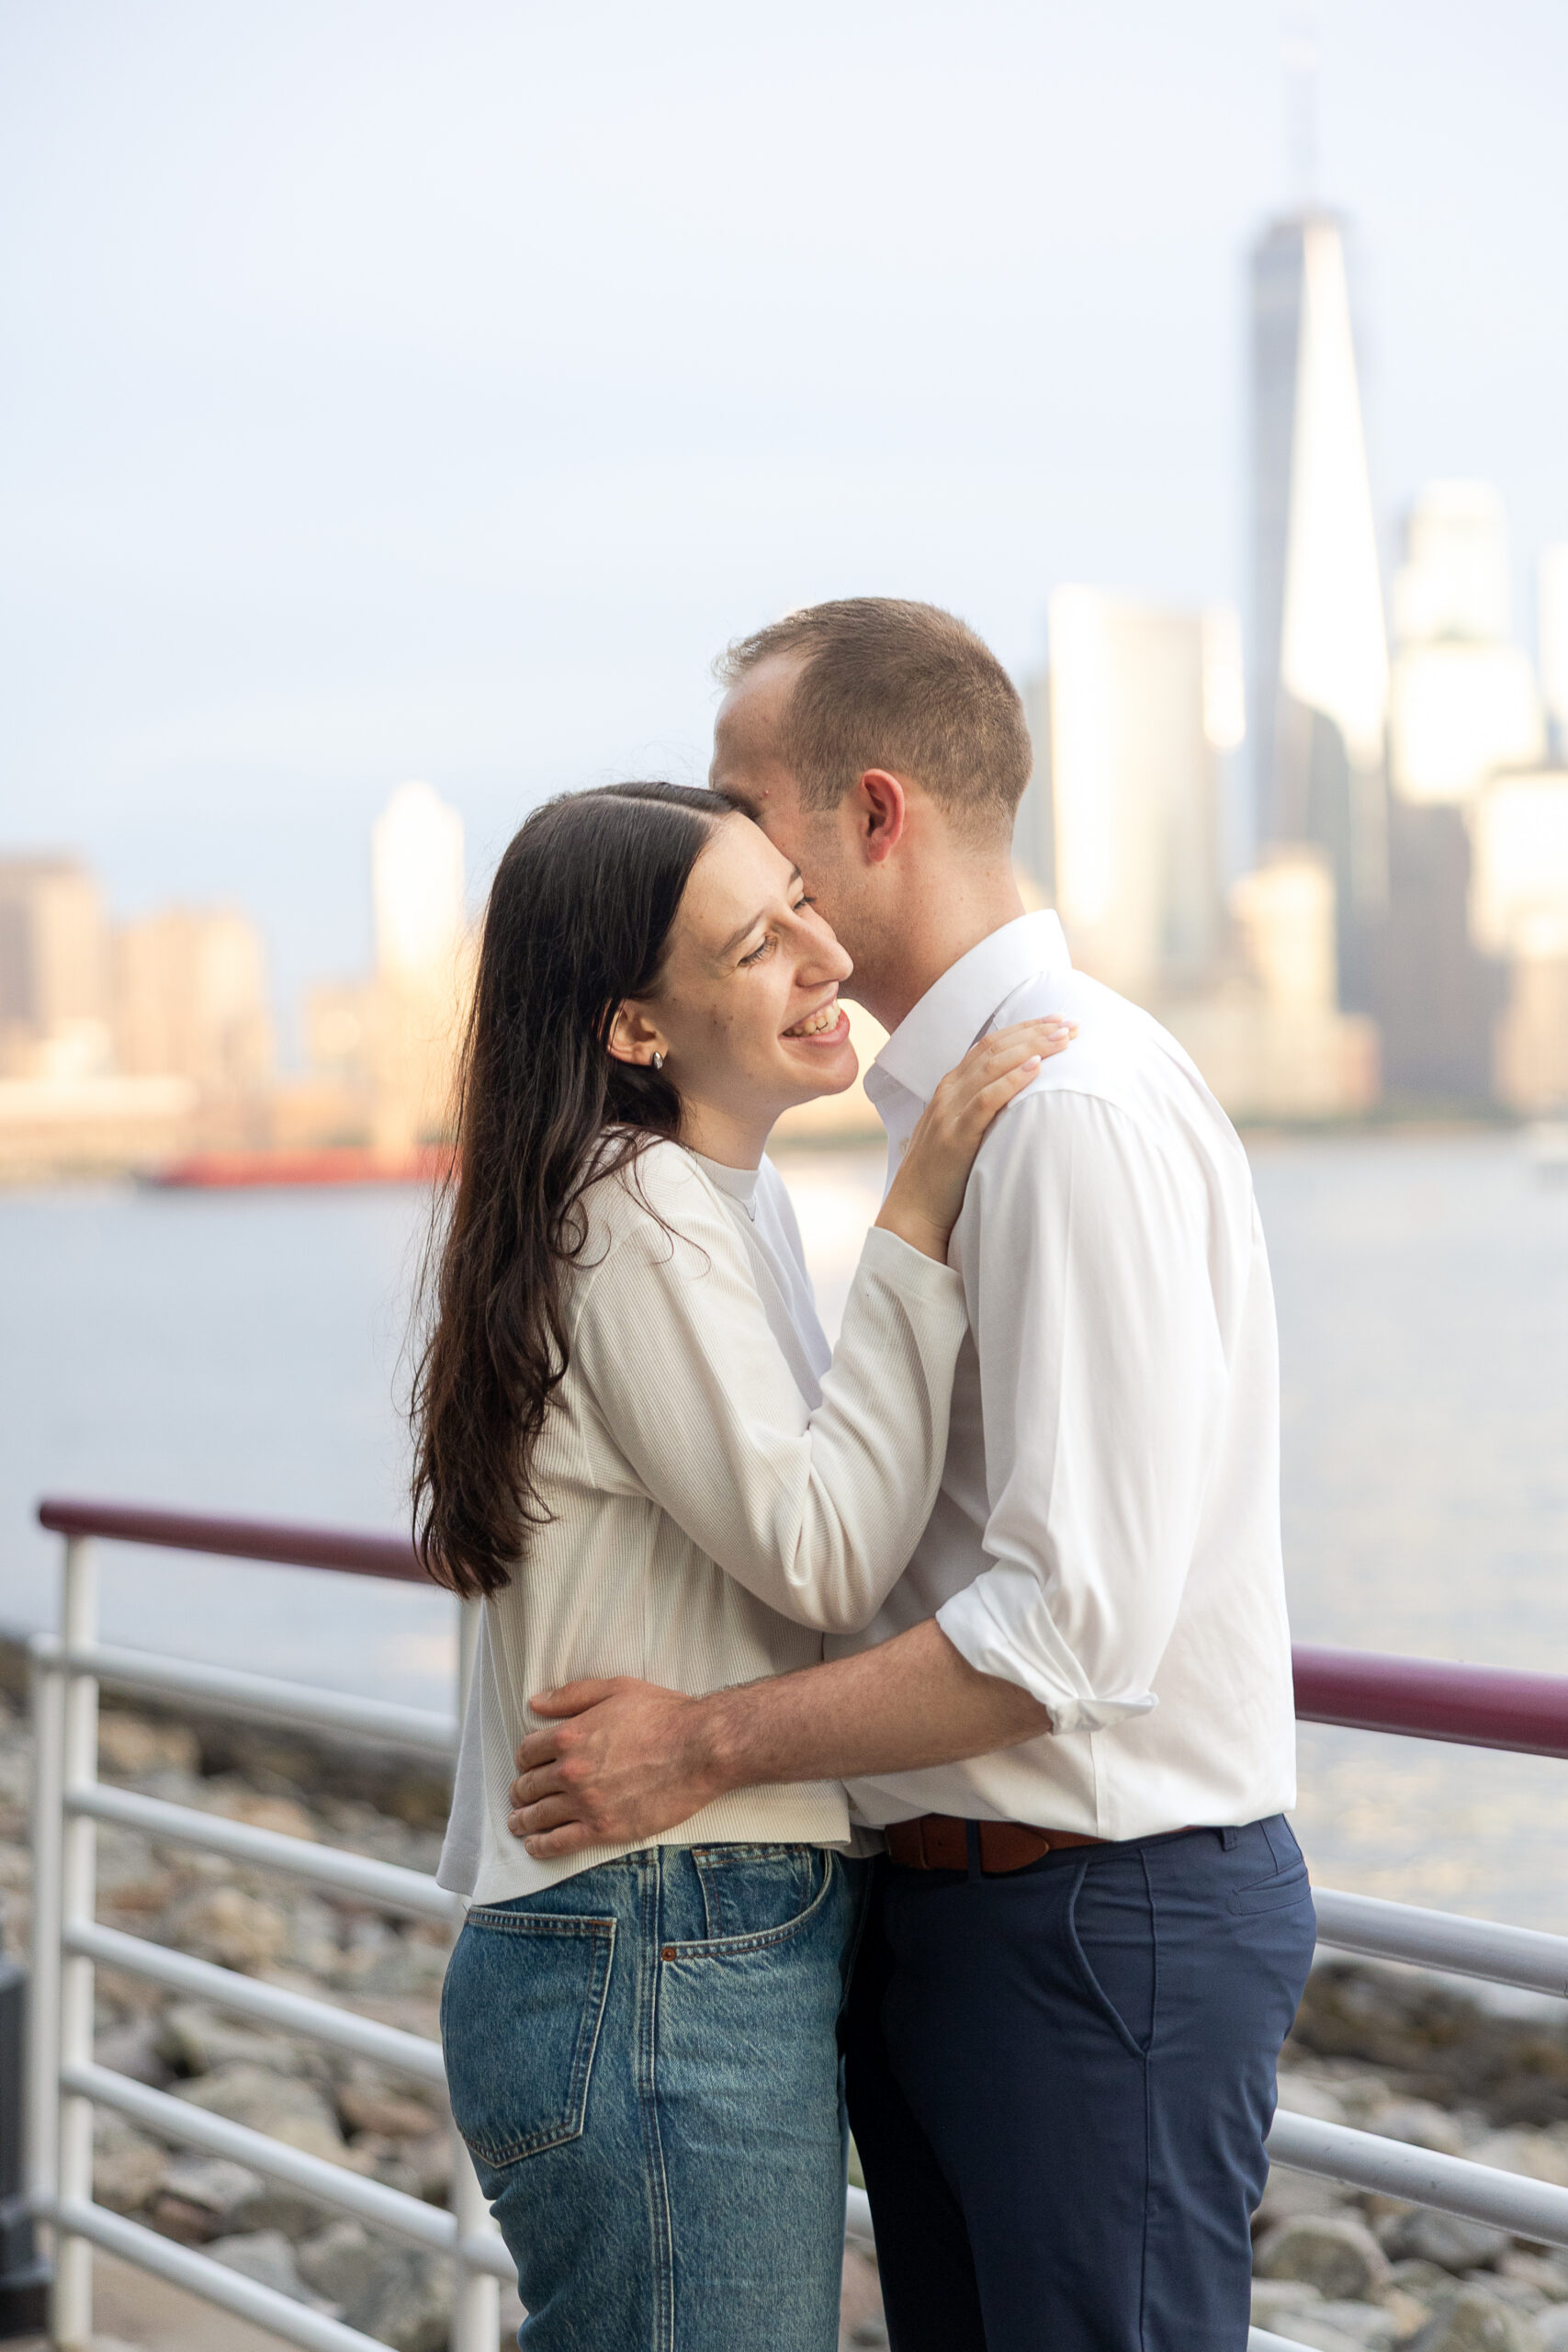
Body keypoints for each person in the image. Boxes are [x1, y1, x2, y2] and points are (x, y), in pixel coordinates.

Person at [506, 602, 1317, 2352]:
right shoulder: (929, 1123)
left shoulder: (1064, 1112)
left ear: (872, 815)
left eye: (748, 806)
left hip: (1090, 1921)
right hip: (960, 1914)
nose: (727, 848)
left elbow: (1070, 1628)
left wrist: (703, 1744)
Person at [413, 777, 1072, 2352]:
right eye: (753, 945)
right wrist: (916, 1220)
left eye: (801, 907)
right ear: (635, 1028)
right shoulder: (635, 1210)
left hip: (660, 1930)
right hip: (660, 1934)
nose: (822, 958)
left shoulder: (701, 1197)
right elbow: (824, 1551)